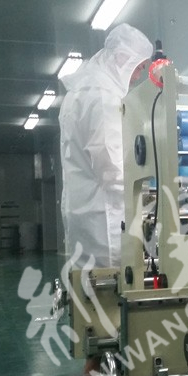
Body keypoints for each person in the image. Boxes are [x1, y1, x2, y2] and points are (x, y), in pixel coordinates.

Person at [59, 23, 153, 269]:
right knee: (110, 287)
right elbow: (112, 169)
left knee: (86, 285)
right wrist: (152, 193)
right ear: (123, 58)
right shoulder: (103, 96)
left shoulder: (78, 92)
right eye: (139, 67)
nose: (138, 76)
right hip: (105, 224)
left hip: (85, 217)